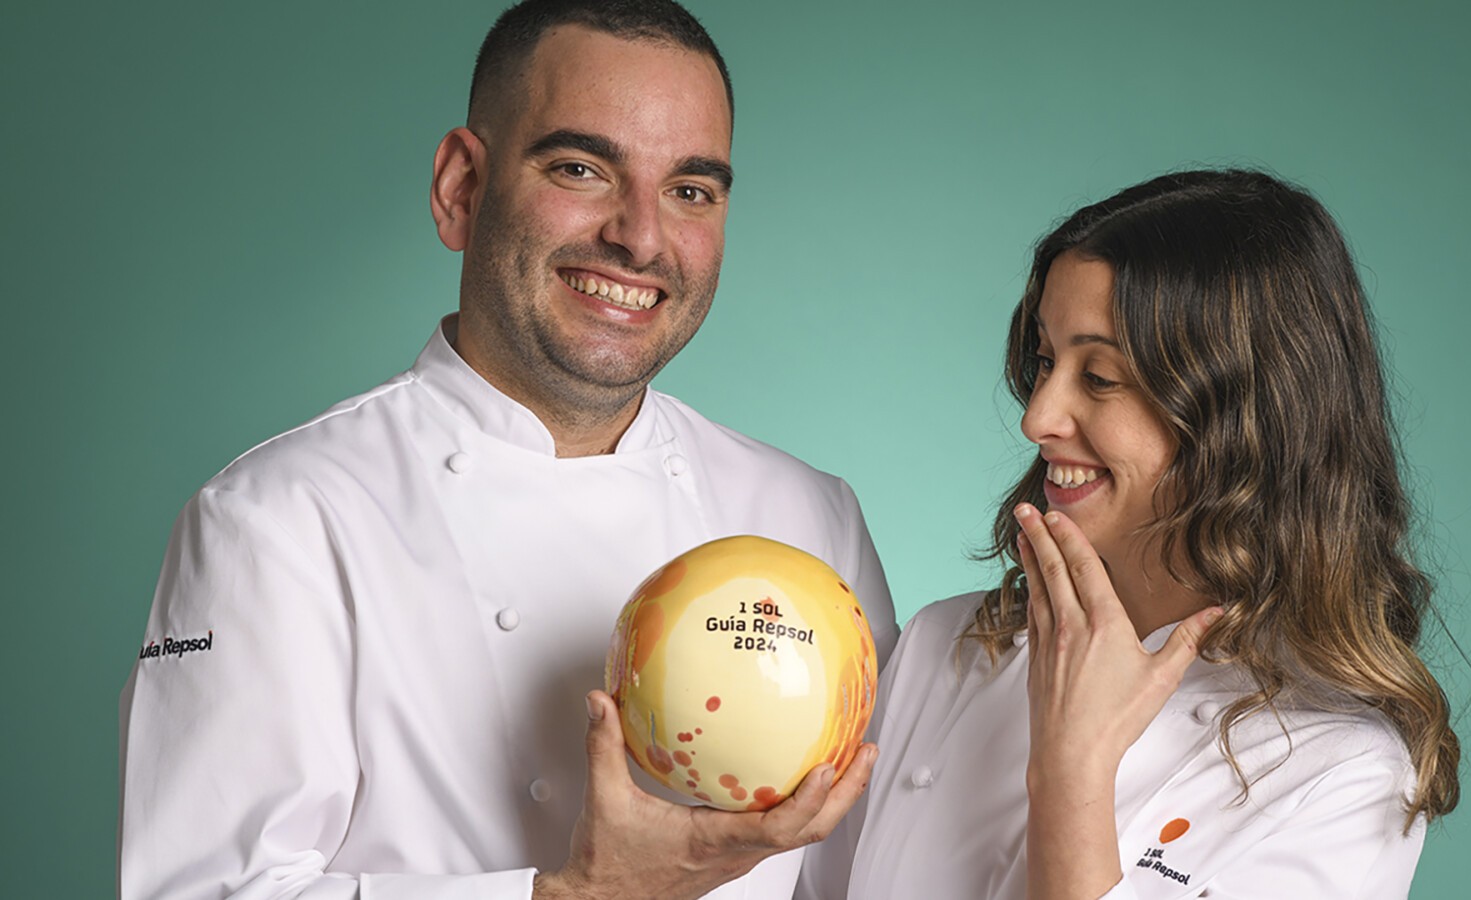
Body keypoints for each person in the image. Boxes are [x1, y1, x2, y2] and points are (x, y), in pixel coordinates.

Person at [118, 2, 897, 898]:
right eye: (581, 169)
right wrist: (577, 897)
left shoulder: (811, 518)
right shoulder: (276, 521)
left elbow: (875, 874)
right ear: (461, 188)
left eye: (690, 190)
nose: (640, 237)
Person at [796, 169, 1461, 899]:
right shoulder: (943, 646)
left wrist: (1072, 766)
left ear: (1244, 418)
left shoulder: (1346, 774)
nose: (1037, 418)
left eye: (1101, 377)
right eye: (1046, 361)